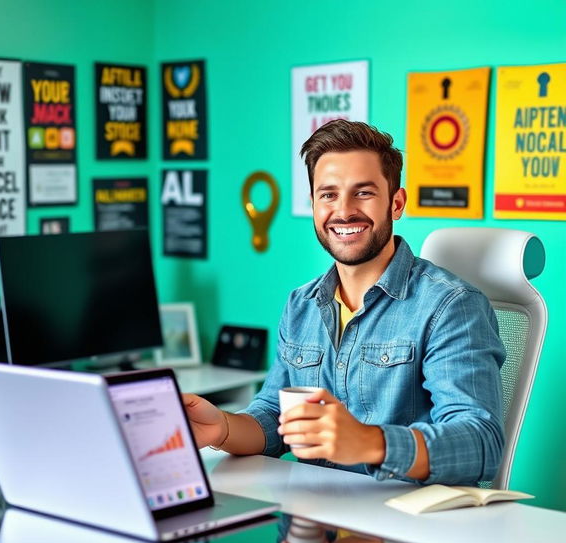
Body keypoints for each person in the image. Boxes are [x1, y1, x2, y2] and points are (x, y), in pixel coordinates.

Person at [184, 119, 505, 485]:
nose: (344, 210)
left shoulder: (450, 306)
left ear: (396, 203)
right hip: (319, 516)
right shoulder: (301, 305)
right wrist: (222, 428)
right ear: (314, 206)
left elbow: (482, 443)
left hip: (407, 526)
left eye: (364, 193)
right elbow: (275, 415)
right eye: (328, 194)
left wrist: (369, 443)